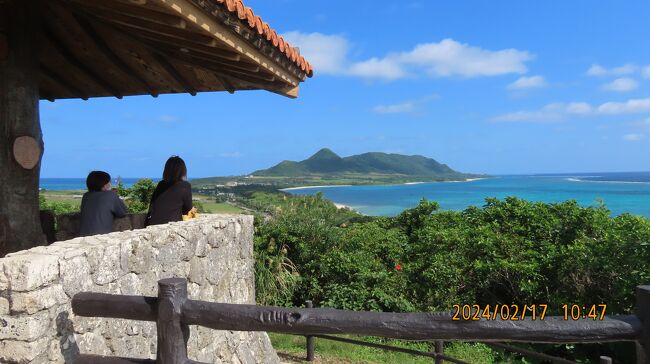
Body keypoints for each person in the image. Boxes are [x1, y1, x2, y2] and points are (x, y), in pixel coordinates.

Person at [146, 156, 195, 226]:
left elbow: (153, 205)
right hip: (170, 226)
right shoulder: (185, 185)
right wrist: (193, 209)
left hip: (152, 224)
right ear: (183, 170)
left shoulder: (161, 184)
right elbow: (187, 210)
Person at [79, 171, 128, 236]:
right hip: (101, 239)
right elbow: (123, 213)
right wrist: (114, 195)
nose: (110, 184)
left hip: (83, 238)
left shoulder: (86, 196)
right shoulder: (110, 195)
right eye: (109, 182)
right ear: (104, 184)